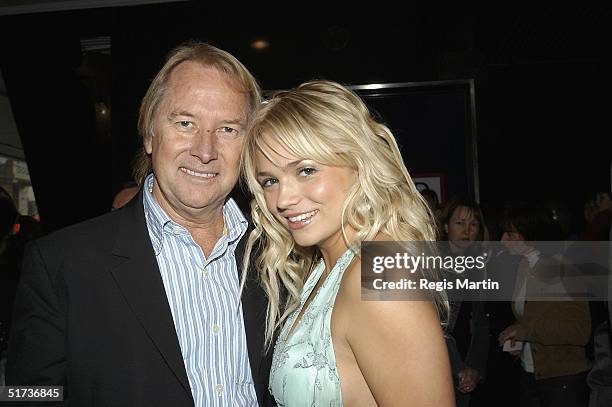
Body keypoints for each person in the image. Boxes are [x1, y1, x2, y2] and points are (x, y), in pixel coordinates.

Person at [7, 42, 273, 406]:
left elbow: (376, 293)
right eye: (185, 123)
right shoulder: (61, 263)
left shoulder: (282, 251)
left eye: (228, 129)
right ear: (149, 134)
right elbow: (26, 395)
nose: (205, 150)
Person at [241, 80, 454, 406]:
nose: (282, 199)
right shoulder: (324, 270)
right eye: (270, 181)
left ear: (358, 165)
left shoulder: (379, 275)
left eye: (306, 170)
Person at [498, 204, 591, 407]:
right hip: (530, 375)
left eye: (510, 234)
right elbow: (530, 316)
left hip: (562, 380)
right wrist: (516, 333)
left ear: (530, 234)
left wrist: (527, 332)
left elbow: (580, 331)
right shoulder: (524, 265)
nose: (503, 240)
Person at [439, 196, 490, 407]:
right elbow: (437, 326)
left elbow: (480, 322)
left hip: (466, 365)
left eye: (473, 224)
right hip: (439, 365)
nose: (467, 230)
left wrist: (474, 369)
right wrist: (459, 369)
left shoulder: (478, 266)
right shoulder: (431, 264)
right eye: (460, 223)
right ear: (445, 226)